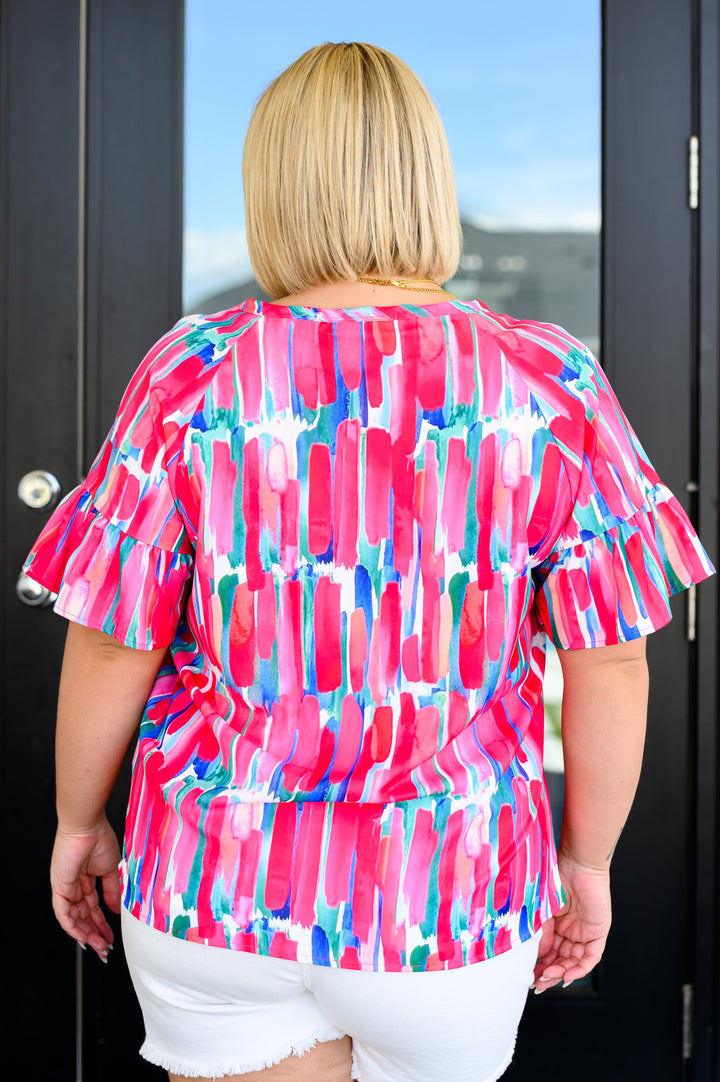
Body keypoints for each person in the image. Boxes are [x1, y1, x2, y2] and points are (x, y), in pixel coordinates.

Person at [25, 41, 713, 1082]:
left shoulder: (193, 372)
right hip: (452, 894)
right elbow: (612, 659)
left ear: (274, 187)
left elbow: (116, 637)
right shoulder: (550, 378)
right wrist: (586, 861)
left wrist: (80, 820)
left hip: (220, 881)